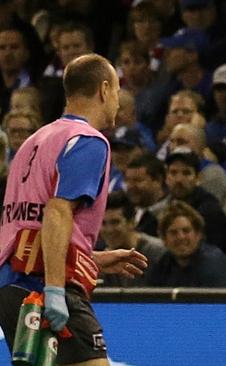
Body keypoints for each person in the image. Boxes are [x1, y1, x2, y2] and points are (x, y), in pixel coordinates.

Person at [0, 54, 148, 365]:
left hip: (10, 285)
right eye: (118, 92)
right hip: (44, 283)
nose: (117, 103)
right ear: (104, 89)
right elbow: (56, 212)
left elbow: (28, 223)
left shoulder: (33, 142)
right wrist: (55, 288)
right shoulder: (87, 141)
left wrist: (90, 258)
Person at [147, 200, 226, 287]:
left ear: (198, 234)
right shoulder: (164, 263)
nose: (181, 237)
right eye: (173, 232)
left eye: (186, 231)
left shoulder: (214, 264)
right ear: (164, 239)